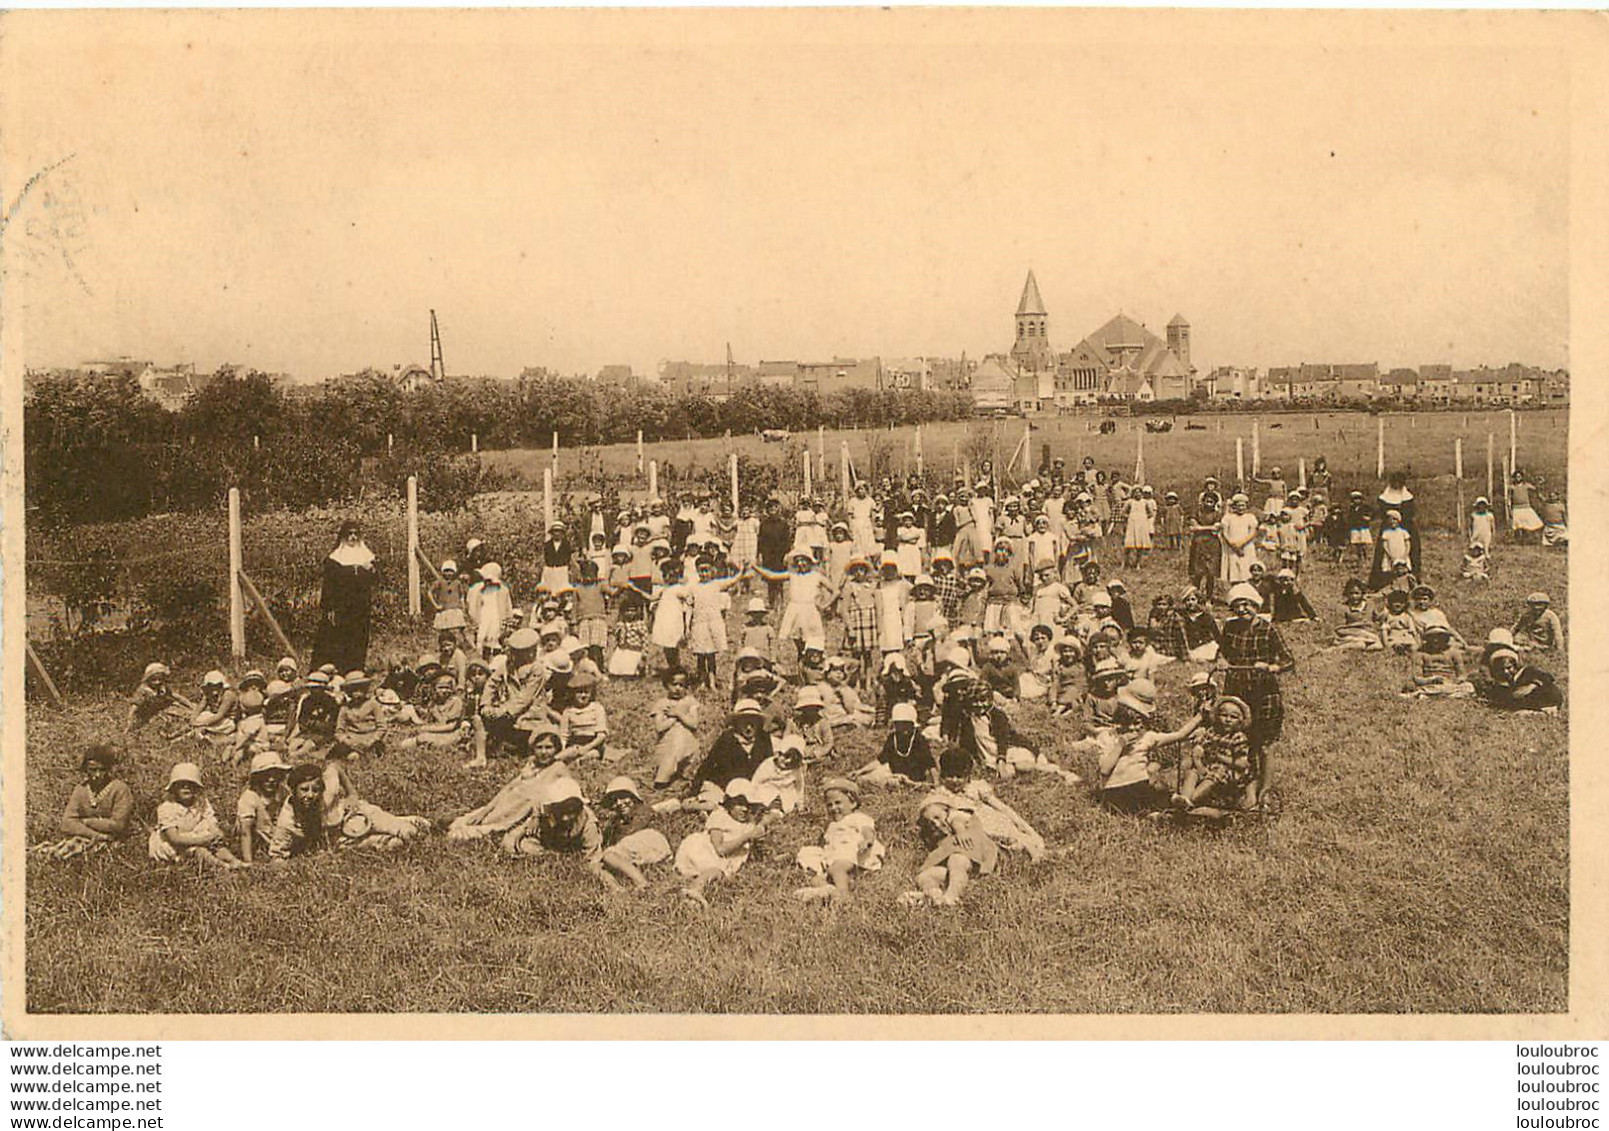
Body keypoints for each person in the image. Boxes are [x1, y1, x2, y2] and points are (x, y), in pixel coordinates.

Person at [1217, 583, 1294, 803]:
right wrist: (1222, 660)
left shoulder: (1268, 629)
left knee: (1264, 743)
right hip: (1237, 690)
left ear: (1255, 605)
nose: (1242, 609)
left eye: (1246, 604)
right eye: (1237, 605)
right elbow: (1222, 652)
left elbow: (1288, 660)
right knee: (1240, 741)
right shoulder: (1230, 628)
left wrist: (1272, 667)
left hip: (1264, 693)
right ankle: (1245, 786)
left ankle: (1265, 790)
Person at [675, 777, 776, 907]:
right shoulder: (720, 816)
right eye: (739, 804)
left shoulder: (748, 823)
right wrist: (747, 837)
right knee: (715, 871)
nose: (745, 809)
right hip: (706, 852)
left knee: (718, 873)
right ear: (728, 803)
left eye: (749, 805)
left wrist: (759, 842)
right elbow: (720, 849)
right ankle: (694, 890)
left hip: (726, 859)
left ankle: (692, 895)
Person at [32, 745, 135, 860]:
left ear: (108, 769)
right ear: (86, 769)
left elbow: (118, 825)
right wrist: (96, 835)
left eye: (101, 770)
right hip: (88, 838)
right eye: (92, 770)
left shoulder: (119, 789)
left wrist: (87, 822)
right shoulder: (80, 789)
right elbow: (66, 823)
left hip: (112, 842)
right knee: (52, 851)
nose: (97, 775)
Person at [794, 778, 884, 903]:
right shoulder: (830, 824)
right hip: (832, 853)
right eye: (829, 805)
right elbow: (825, 842)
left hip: (854, 851)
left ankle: (843, 895)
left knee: (837, 868)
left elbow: (868, 830)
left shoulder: (857, 817)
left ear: (852, 803)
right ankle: (825, 888)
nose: (833, 808)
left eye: (838, 803)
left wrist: (867, 841)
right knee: (809, 858)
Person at [904, 792, 999, 907]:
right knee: (924, 876)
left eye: (937, 817)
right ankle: (933, 894)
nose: (936, 823)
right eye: (930, 822)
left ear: (946, 810)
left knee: (956, 859)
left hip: (976, 858)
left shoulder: (956, 817)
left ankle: (951, 898)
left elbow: (956, 821)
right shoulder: (939, 836)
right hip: (957, 871)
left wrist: (960, 831)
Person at [149, 762, 246, 870]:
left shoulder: (201, 803)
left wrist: (215, 833)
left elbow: (210, 821)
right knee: (199, 851)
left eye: (190, 785)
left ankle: (234, 861)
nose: (186, 788)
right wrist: (201, 840)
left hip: (197, 836)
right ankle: (222, 866)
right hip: (176, 844)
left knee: (217, 846)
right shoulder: (168, 808)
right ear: (174, 788)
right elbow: (174, 838)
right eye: (181, 785)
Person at [312, 520, 378, 673]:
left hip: (361, 605)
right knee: (340, 637)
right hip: (341, 606)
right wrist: (329, 608)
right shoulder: (334, 559)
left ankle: (356, 668)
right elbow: (328, 586)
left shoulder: (367, 556)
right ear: (343, 536)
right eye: (349, 534)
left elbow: (376, 581)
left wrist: (372, 570)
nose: (353, 537)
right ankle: (340, 668)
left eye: (356, 534)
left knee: (360, 636)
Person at [1172, 696, 1256, 812]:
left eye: (1233, 717)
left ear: (1240, 721)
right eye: (1224, 715)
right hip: (1207, 767)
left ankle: (1192, 800)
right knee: (1192, 773)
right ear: (1216, 716)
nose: (1228, 719)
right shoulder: (1212, 732)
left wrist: (1219, 757)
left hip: (1228, 772)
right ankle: (1184, 798)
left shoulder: (1238, 738)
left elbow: (1242, 764)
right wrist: (1199, 765)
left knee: (1215, 775)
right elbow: (1198, 750)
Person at [596, 777, 672, 891]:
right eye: (614, 800)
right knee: (602, 865)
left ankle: (642, 883)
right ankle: (619, 889)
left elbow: (630, 832)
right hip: (639, 849)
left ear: (633, 797)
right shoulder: (618, 820)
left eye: (622, 797)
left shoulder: (643, 811)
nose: (619, 803)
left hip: (652, 843)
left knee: (608, 855)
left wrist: (615, 827)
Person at [853, 701, 936, 785]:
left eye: (906, 725)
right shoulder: (892, 738)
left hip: (913, 779)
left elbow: (930, 764)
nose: (903, 729)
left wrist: (936, 783)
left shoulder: (919, 740)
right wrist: (861, 771)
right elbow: (881, 760)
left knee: (891, 782)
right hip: (894, 774)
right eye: (900, 725)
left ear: (912, 725)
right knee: (864, 778)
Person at [268, 764, 333, 860]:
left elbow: (335, 768)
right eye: (304, 789)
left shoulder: (322, 799)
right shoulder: (287, 821)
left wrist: (351, 793)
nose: (310, 795)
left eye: (315, 790)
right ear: (293, 790)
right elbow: (276, 857)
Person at [236, 750, 290, 864]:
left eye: (275, 775)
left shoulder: (282, 792)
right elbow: (245, 831)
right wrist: (248, 861)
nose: (271, 780)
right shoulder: (250, 797)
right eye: (266, 776)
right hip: (257, 838)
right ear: (257, 777)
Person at [1479, 644, 1563, 713]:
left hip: (1549, 699)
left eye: (1509, 668)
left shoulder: (1528, 671)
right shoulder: (1508, 681)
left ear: (1515, 666)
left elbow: (1548, 677)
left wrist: (1532, 685)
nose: (1506, 672)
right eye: (1502, 669)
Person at [1403, 618, 1475, 699]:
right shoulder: (1421, 654)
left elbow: (1462, 675)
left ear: (1445, 638)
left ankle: (1432, 695)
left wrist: (1456, 681)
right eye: (1432, 637)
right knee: (1421, 688)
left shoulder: (1454, 653)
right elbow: (1417, 677)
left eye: (1440, 637)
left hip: (1450, 684)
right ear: (1427, 639)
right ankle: (1444, 695)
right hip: (1430, 684)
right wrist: (1431, 680)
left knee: (1468, 686)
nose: (1436, 640)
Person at [127, 661, 193, 735]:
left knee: (182, 712)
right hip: (148, 716)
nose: (157, 682)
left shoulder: (162, 688)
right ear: (148, 679)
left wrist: (190, 705)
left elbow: (176, 696)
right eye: (154, 680)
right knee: (162, 723)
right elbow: (134, 707)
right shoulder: (144, 691)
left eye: (160, 679)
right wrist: (129, 722)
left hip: (162, 709)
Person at [1218, 494, 1260, 584]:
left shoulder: (1250, 517)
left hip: (1246, 547)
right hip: (1232, 547)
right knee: (1234, 571)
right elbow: (1224, 533)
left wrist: (1241, 544)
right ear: (1234, 506)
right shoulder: (1228, 518)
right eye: (1239, 505)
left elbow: (1253, 532)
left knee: (1246, 570)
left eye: (1243, 505)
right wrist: (1233, 545)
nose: (1241, 508)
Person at [1509, 470, 1544, 542]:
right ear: (1514, 478)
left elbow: (1535, 488)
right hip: (1516, 508)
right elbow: (1509, 499)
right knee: (1518, 526)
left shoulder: (1526, 485)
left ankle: (1526, 540)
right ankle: (1518, 540)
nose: (1518, 478)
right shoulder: (1512, 487)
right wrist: (1510, 508)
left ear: (1522, 477)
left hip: (1525, 507)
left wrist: (1540, 482)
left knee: (1526, 524)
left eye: (1519, 476)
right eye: (1516, 477)